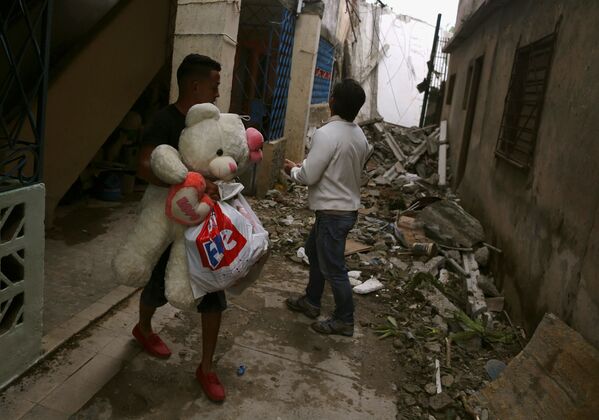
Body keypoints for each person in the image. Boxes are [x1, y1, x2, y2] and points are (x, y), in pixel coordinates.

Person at [133, 54, 227, 402]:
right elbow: (143, 165)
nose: (218, 94)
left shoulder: (209, 124)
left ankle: (206, 367)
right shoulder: (164, 121)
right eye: (215, 86)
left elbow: (215, 161)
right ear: (195, 85)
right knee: (156, 284)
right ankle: (143, 328)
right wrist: (186, 180)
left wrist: (215, 180)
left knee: (213, 290)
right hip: (168, 221)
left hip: (202, 222)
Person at [283, 79, 371, 337]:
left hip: (333, 212)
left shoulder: (326, 134)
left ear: (332, 101)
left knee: (333, 268)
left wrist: (293, 170)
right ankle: (312, 301)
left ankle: (345, 319)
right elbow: (336, 169)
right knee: (313, 250)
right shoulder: (359, 135)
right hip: (342, 211)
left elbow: (309, 176)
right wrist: (306, 168)